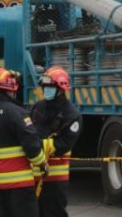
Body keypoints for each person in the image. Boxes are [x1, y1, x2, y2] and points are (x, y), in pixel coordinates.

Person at [0, 68, 47, 217]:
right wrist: (42, 163)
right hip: (19, 183)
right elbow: (31, 143)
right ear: (10, 90)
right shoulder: (17, 112)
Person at [31, 66, 82, 217]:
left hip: (55, 178)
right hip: (32, 175)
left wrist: (36, 145)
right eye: (44, 86)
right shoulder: (37, 107)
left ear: (61, 88)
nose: (46, 89)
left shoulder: (72, 115)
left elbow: (64, 144)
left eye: (50, 87)